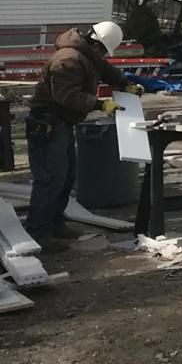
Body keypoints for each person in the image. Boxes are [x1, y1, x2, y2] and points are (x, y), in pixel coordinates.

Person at [24, 21, 142, 244]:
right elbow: (67, 96)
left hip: (61, 124)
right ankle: (38, 233)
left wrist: (124, 84)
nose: (103, 55)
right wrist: (100, 105)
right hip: (48, 124)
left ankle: (55, 224)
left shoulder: (86, 55)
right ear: (97, 44)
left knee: (65, 178)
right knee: (50, 180)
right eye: (104, 50)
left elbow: (105, 69)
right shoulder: (68, 59)